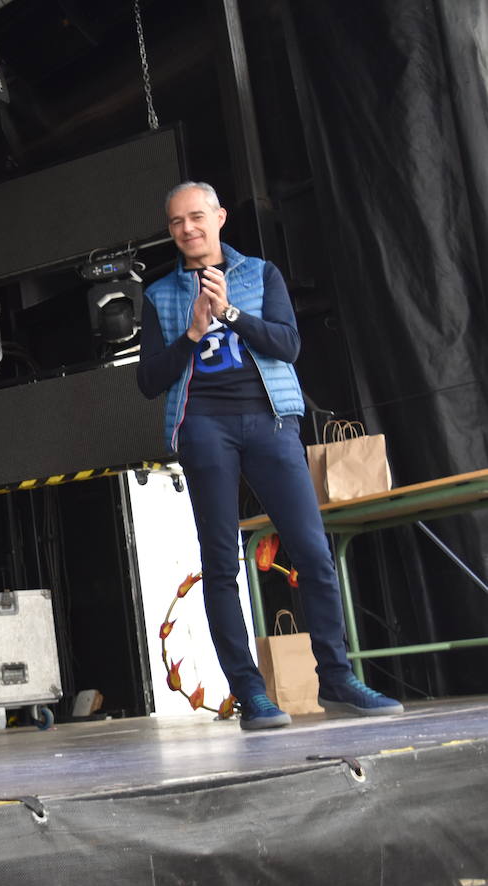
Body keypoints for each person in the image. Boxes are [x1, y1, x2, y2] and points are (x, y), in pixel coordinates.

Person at [136, 181, 403, 730]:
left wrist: (230, 313)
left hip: (271, 421)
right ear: (170, 230)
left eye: (196, 217)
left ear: (219, 218)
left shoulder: (259, 274)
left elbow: (288, 345)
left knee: (312, 549)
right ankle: (251, 693)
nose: (187, 228)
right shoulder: (160, 294)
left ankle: (337, 676)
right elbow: (148, 380)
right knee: (220, 563)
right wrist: (191, 334)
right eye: (176, 222)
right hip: (202, 426)